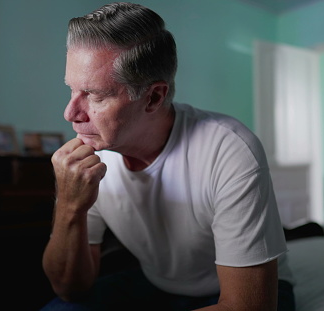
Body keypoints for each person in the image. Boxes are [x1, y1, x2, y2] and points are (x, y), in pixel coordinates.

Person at [41, 2, 295, 310]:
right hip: (156, 285)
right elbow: (70, 289)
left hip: (240, 292)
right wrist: (70, 206)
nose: (71, 113)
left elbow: (247, 307)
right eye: (72, 90)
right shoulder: (91, 158)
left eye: (95, 95)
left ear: (154, 97)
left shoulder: (228, 150)